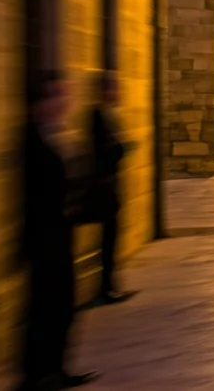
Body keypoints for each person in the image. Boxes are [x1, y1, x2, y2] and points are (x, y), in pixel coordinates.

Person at [19, 73, 100, 390]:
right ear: (43, 101)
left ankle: (56, 368)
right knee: (44, 307)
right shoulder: (32, 138)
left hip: (60, 234)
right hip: (43, 237)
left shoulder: (58, 134)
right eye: (59, 95)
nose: (65, 101)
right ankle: (36, 374)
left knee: (63, 305)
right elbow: (34, 193)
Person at [89, 75, 135, 305]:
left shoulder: (107, 115)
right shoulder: (97, 116)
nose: (118, 93)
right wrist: (121, 147)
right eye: (114, 88)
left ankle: (110, 283)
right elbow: (103, 151)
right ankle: (106, 287)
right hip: (104, 188)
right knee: (108, 238)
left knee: (113, 237)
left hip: (111, 187)